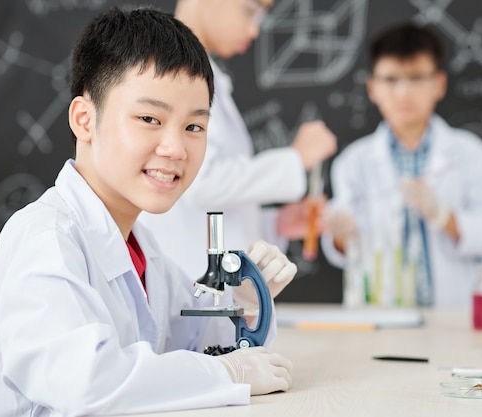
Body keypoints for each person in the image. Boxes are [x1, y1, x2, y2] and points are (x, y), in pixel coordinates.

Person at [0, 7, 296, 416]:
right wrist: (228, 373)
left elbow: (200, 341)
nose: (175, 148)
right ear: (84, 119)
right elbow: (86, 384)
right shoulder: (45, 240)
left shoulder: (143, 248)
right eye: (149, 118)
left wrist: (248, 301)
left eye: (194, 127)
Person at [138, 0, 337, 280]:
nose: (255, 30)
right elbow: (199, 182)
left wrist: (275, 224)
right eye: (251, 10)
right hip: (184, 288)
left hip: (207, 287)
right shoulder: (168, 72)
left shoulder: (205, 75)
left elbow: (212, 210)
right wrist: (296, 159)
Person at [322, 22, 482, 308]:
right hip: (378, 314)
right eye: (391, 79)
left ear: (439, 84)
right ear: (372, 88)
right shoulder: (353, 162)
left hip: (456, 316)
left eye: (416, 78)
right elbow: (342, 249)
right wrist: (339, 234)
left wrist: (444, 218)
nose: (403, 92)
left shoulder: (472, 154)